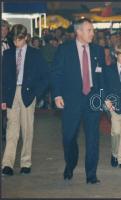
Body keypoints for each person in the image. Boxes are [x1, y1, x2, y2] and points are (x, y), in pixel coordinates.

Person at [51, 18, 107, 184]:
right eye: (89, 30)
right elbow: (56, 73)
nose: (92, 33)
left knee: (93, 139)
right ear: (79, 32)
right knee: (68, 137)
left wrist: (103, 97)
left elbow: (101, 76)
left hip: (92, 99)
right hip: (71, 100)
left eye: (92, 30)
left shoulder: (97, 50)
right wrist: (57, 95)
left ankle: (91, 175)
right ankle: (71, 163)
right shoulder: (64, 50)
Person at [1, 24, 48, 176]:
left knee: (27, 129)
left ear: (26, 37)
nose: (16, 43)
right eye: (14, 39)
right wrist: (2, 98)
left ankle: (26, 162)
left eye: (19, 39)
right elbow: (2, 77)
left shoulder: (36, 54)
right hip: (11, 94)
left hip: (28, 94)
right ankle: (7, 164)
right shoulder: (7, 54)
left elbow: (45, 77)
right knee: (11, 130)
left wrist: (36, 94)